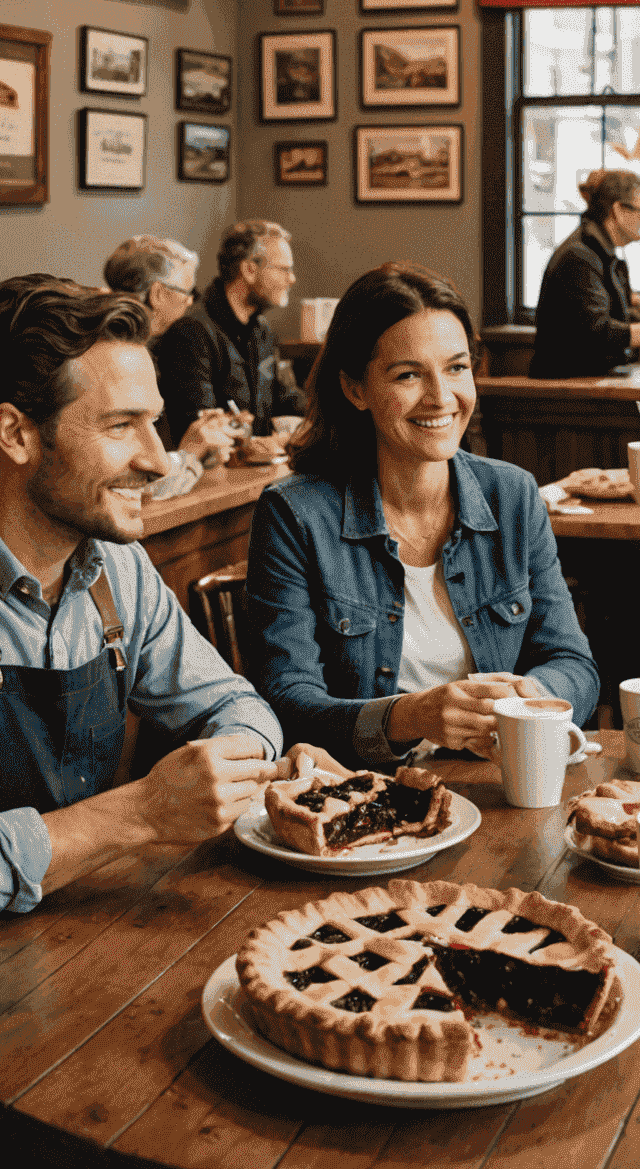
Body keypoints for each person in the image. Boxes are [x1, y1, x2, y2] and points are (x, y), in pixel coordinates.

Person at [0, 276, 339, 1168]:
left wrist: (249, 760)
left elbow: (237, 705)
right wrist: (137, 816)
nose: (160, 460)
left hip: (63, 958)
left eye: (154, 424)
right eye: (122, 426)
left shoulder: (113, 569)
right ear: (15, 433)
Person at [244, 262, 601, 765]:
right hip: (363, 797)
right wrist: (410, 717)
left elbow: (574, 665)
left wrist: (530, 699)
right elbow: (286, 701)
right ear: (355, 389)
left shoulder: (513, 494)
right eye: (408, 375)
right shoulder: (294, 515)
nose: (441, 398)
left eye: (456, 368)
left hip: (498, 785)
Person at [154, 219, 307, 462]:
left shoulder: (261, 330)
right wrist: (268, 440)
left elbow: (280, 397)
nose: (292, 279)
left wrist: (328, 415)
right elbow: (200, 429)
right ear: (249, 270)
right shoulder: (191, 332)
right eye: (283, 269)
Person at [104, 233, 238, 497]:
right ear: (158, 294)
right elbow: (138, 484)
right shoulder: (122, 360)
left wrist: (201, 453)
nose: (191, 302)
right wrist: (191, 453)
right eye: (188, 292)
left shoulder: (140, 348)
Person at [529, 168, 640, 378]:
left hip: (584, 379)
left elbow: (611, 315)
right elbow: (595, 333)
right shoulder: (580, 257)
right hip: (567, 387)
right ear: (618, 210)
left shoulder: (596, 251)